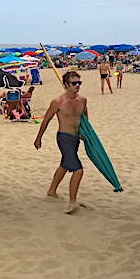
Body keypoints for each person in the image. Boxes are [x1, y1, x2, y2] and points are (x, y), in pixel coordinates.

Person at [34, 71, 88, 214]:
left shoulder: (82, 100)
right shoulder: (58, 102)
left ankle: (52, 191)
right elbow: (46, 120)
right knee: (78, 170)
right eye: (74, 83)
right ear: (66, 85)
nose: (77, 86)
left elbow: (85, 118)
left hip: (76, 139)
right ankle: (72, 203)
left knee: (65, 165)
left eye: (79, 83)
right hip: (64, 138)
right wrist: (39, 138)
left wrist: (86, 134)